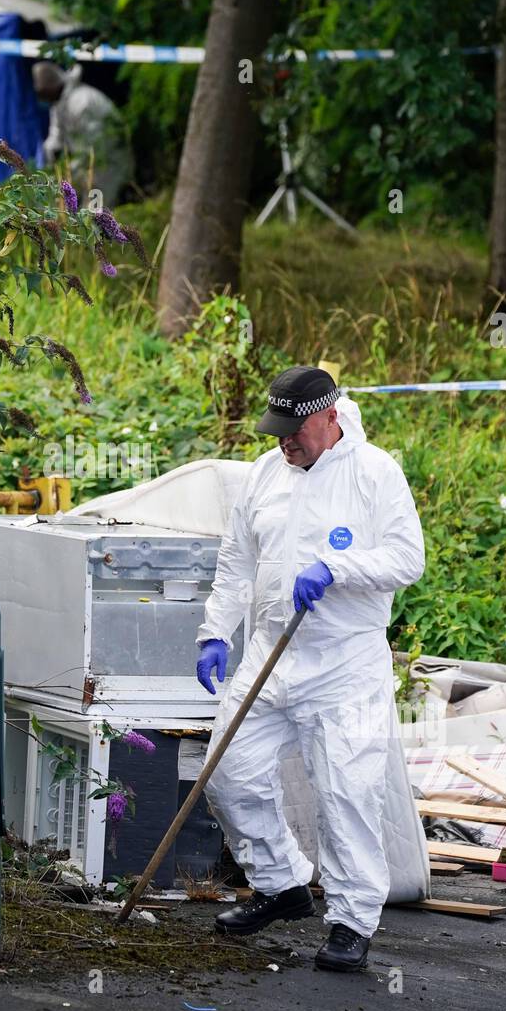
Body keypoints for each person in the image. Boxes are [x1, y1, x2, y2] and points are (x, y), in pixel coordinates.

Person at [195, 365, 425, 971]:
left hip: (344, 664)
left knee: (347, 793)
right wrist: (215, 632)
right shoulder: (266, 474)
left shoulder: (376, 474)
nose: (283, 441)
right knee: (227, 772)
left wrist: (336, 569)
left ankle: (352, 922)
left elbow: (408, 558)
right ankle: (281, 885)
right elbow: (235, 561)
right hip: (269, 658)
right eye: (277, 430)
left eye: (293, 430)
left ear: (329, 416)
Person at [32, 60, 133, 208]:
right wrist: (49, 158)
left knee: (95, 214)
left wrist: (69, 172)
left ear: (51, 87)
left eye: (42, 93)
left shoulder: (81, 102)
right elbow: (56, 135)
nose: (41, 98)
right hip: (86, 164)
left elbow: (93, 149)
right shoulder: (59, 103)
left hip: (107, 162)